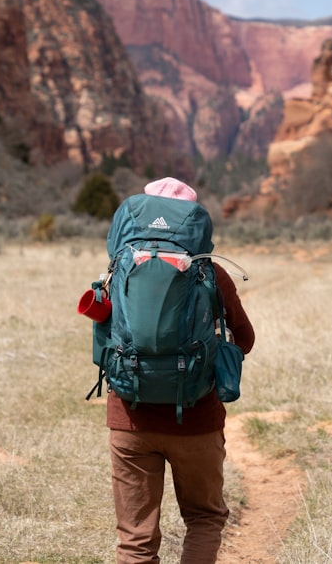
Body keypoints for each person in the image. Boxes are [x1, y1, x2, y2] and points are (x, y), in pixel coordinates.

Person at [106, 177, 255, 564]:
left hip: (130, 419)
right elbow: (245, 338)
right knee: (204, 518)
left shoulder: (119, 267)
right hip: (197, 420)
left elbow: (104, 337)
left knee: (135, 541)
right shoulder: (210, 273)